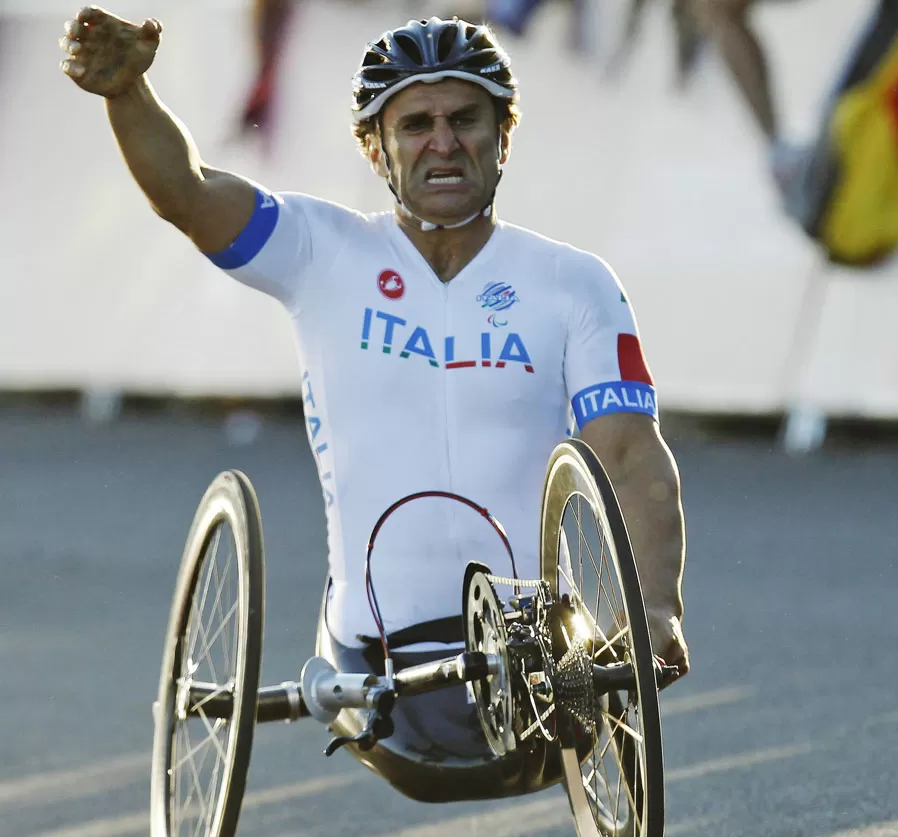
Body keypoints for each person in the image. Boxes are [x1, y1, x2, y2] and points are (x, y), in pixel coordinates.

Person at [60, 6, 688, 795]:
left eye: (466, 119)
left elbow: (629, 453)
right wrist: (129, 96)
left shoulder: (575, 283)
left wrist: (657, 609)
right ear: (376, 147)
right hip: (373, 669)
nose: (444, 141)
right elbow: (187, 193)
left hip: (531, 659)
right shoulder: (324, 251)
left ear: (504, 135)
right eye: (416, 124)